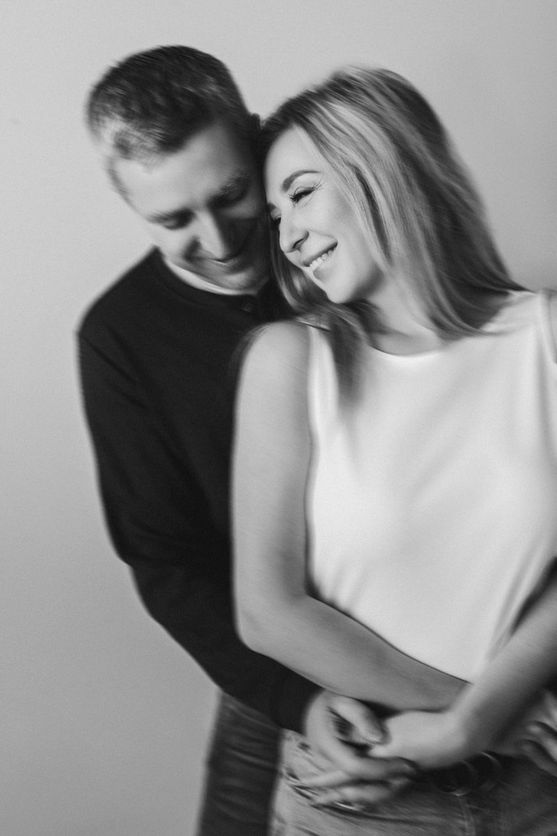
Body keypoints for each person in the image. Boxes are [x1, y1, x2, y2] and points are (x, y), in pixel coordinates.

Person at [79, 47, 472, 834]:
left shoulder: (358, 262)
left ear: (257, 141)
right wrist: (302, 698)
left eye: (229, 196)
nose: (219, 239)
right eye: (173, 220)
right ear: (127, 201)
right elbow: (166, 561)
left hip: (458, 641)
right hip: (279, 679)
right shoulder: (120, 338)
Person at [233, 66, 557, 833]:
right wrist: (477, 719)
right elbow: (267, 611)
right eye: (277, 215)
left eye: (302, 193)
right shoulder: (286, 361)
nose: (289, 236)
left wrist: (477, 727)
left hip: (532, 797)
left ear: (381, 163)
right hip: (364, 790)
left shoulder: (543, 338)